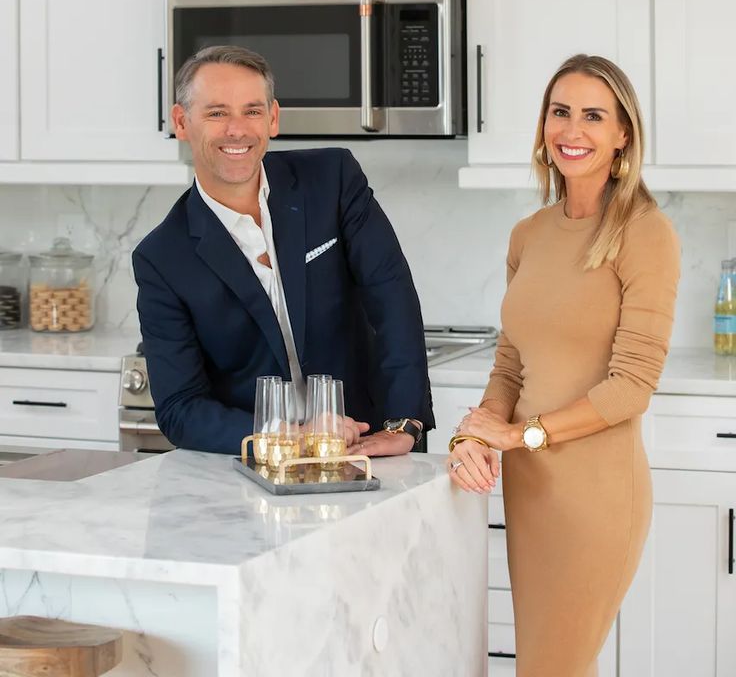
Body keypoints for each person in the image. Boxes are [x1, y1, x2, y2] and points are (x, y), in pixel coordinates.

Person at [448, 54, 680, 677]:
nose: (572, 131)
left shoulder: (645, 233)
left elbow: (632, 387)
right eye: (560, 112)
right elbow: (510, 366)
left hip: (596, 494)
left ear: (621, 134)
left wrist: (522, 434)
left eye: (593, 116)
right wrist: (479, 428)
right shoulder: (529, 233)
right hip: (532, 492)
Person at [133, 44, 433, 456]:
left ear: (273, 119)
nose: (237, 129)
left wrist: (405, 423)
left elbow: (391, 296)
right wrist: (288, 439)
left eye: (252, 111)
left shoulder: (333, 180)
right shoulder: (162, 258)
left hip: (373, 447)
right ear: (182, 122)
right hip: (259, 470)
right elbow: (179, 408)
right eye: (217, 113)